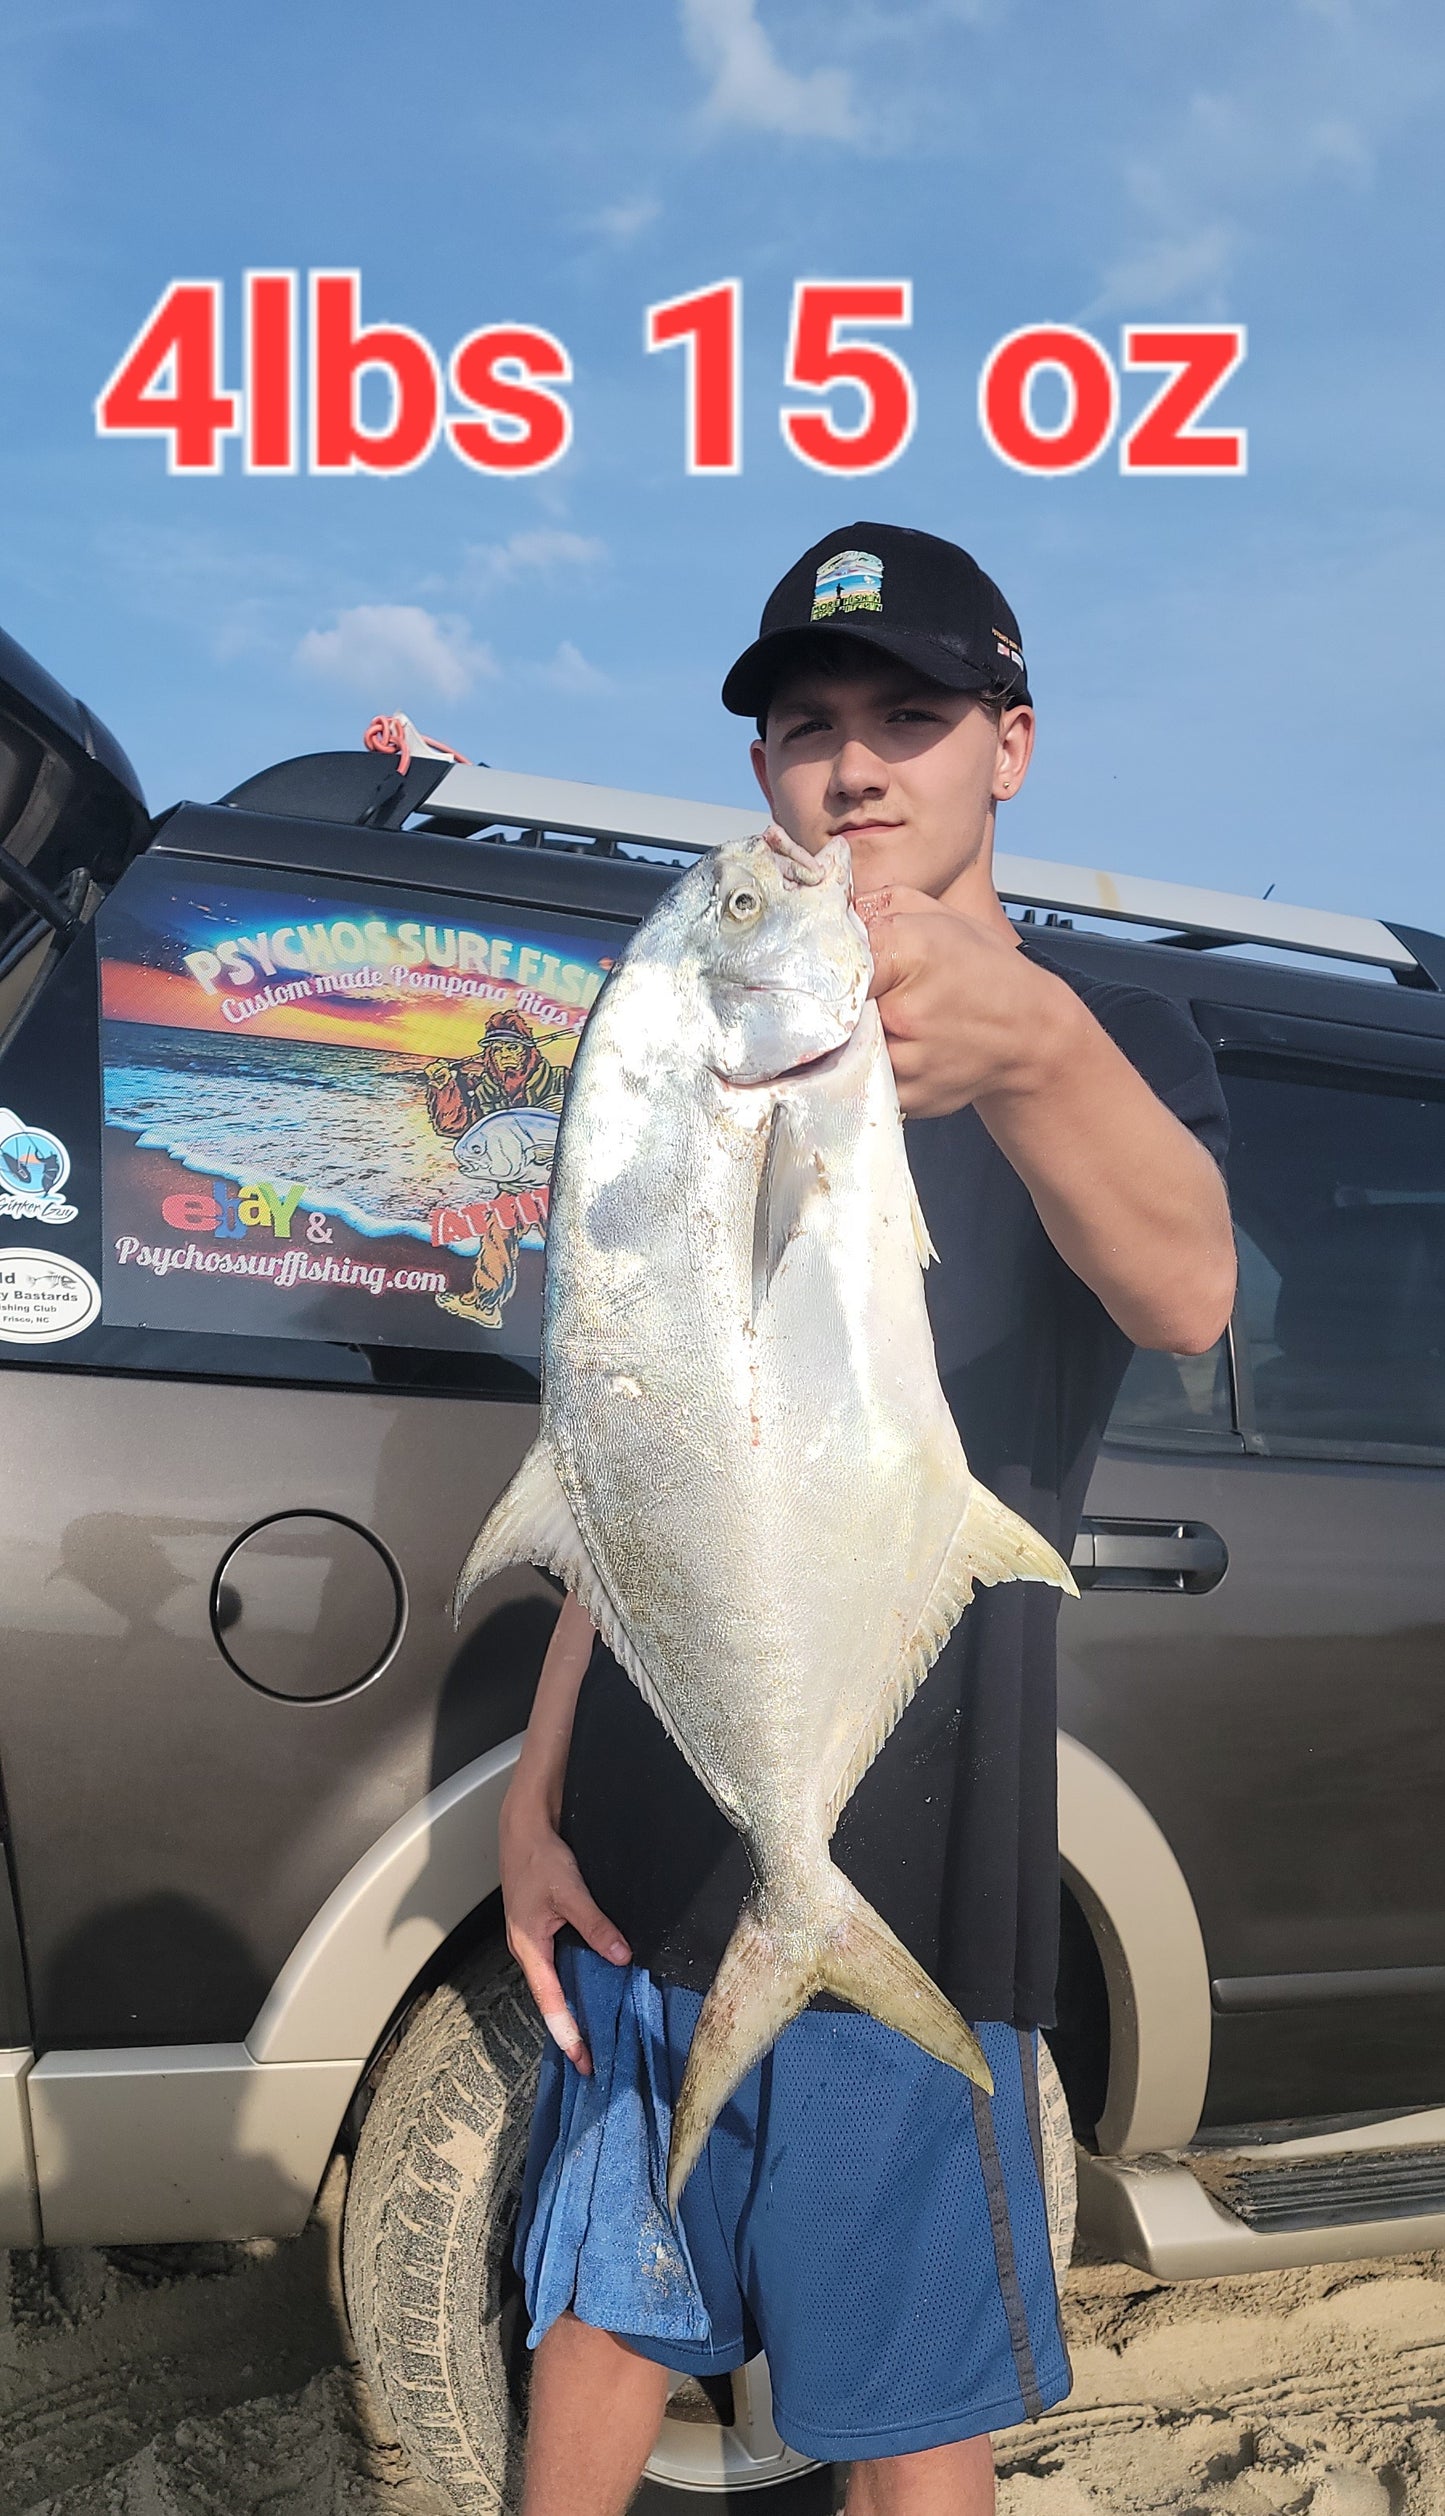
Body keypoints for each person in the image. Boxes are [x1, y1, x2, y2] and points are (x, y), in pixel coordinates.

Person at [500, 522, 1236, 2515]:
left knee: (910, 2397)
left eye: (912, 717)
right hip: (654, 1852)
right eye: (809, 728)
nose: (857, 767)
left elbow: (1185, 1289)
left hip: (917, 1877)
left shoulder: (1120, 1045)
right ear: (762, 780)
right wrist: (535, 1786)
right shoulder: (711, 1039)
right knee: (599, 2320)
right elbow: (644, 1437)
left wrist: (1034, 1048)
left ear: (1012, 743)